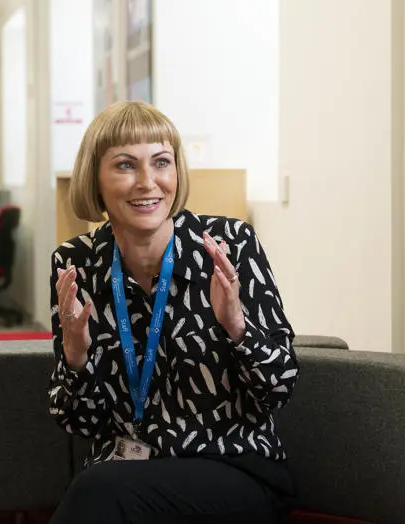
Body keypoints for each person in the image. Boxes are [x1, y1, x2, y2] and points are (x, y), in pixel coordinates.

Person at [47, 101, 298, 524]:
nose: (148, 183)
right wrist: (74, 357)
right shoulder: (77, 263)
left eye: (161, 163)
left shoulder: (229, 244)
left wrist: (237, 327)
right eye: (126, 165)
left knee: (98, 494)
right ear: (96, 179)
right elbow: (81, 422)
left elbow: (279, 389)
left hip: (232, 466)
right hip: (126, 472)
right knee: (101, 491)